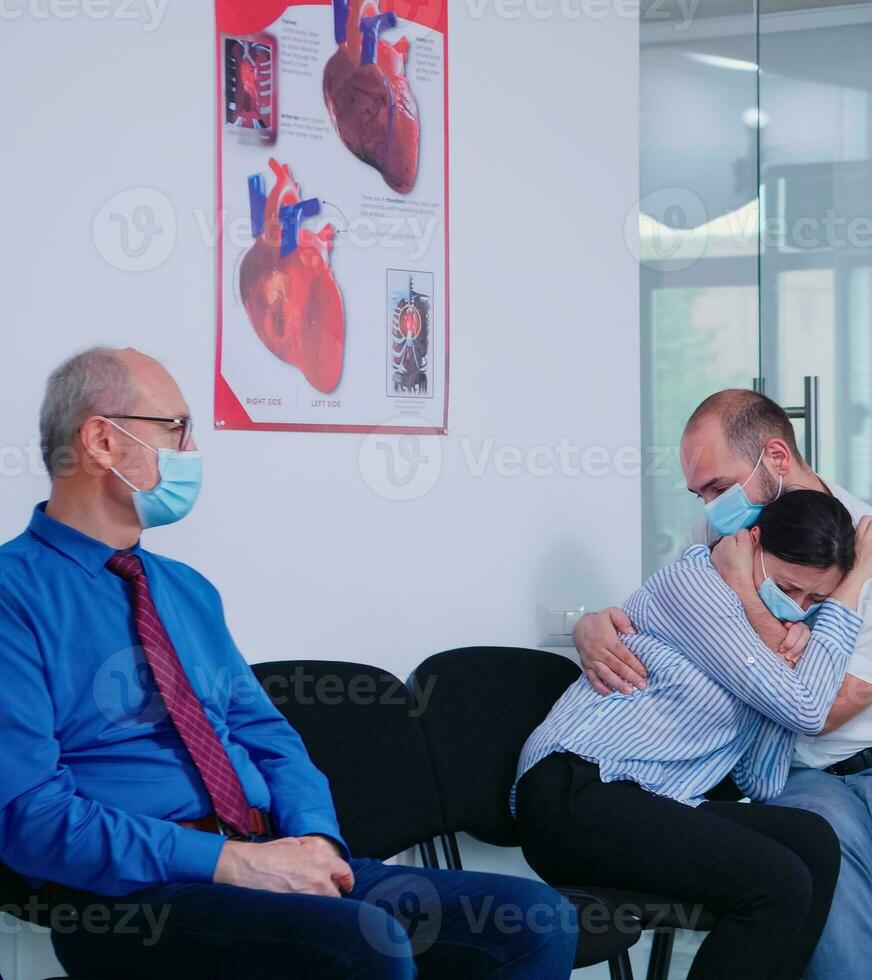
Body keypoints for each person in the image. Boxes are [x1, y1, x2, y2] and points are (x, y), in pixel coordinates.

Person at [0, 347, 579, 978]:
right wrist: (232, 865)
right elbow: (31, 818)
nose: (190, 450)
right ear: (101, 441)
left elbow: (265, 733)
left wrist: (315, 841)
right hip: (126, 897)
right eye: (176, 428)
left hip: (263, 854)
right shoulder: (13, 596)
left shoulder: (186, 590)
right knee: (367, 940)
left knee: (531, 920)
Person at [576, 390, 872, 980]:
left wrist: (743, 611)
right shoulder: (718, 537)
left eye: (718, 486)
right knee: (838, 965)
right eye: (701, 493)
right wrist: (591, 626)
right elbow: (672, 623)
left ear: (776, 458)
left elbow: (826, 706)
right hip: (804, 774)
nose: (711, 505)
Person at [516, 489, 872, 980]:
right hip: (574, 790)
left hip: (649, 797)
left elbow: (760, 778)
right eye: (787, 586)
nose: (798, 607)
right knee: (776, 883)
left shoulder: (768, 631)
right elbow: (807, 710)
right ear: (754, 542)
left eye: (815, 600)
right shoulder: (696, 585)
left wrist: (791, 662)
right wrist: (854, 584)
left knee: (813, 841)